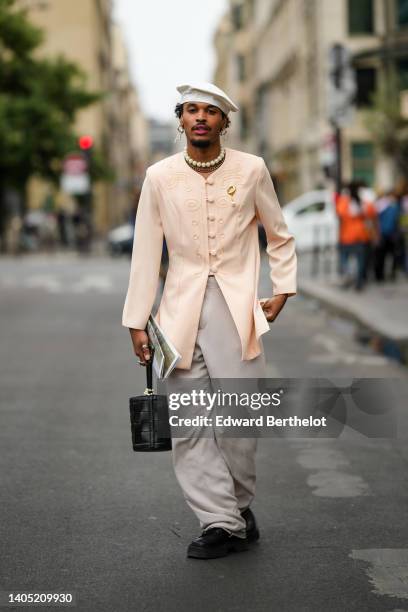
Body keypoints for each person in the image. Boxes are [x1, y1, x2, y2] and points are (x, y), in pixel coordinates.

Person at [122, 82, 297, 559]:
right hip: (177, 312)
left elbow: (279, 237)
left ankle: (238, 509)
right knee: (190, 423)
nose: (201, 117)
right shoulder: (159, 177)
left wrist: (282, 291)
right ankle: (220, 520)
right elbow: (144, 253)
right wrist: (138, 320)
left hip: (236, 309)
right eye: (192, 110)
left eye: (211, 111)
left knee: (238, 419)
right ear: (180, 120)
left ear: (224, 122)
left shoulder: (252, 169)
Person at [335, 180, 378, 290]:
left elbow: (339, 214)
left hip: (346, 236)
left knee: (345, 259)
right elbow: (372, 213)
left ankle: (348, 274)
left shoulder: (344, 201)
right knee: (360, 261)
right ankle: (358, 282)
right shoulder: (363, 202)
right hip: (361, 235)